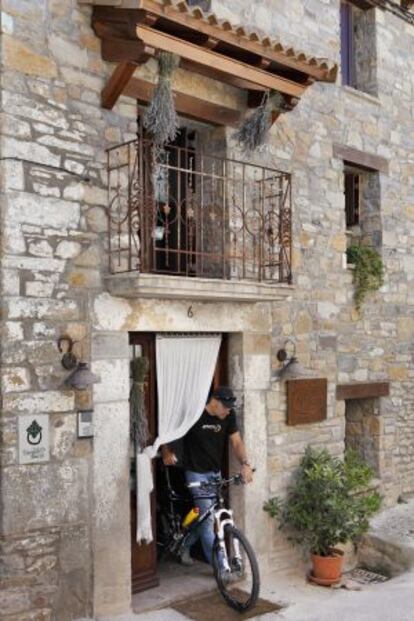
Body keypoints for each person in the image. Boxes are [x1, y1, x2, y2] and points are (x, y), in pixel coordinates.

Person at [161, 386, 253, 569]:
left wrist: (245, 463)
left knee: (203, 515)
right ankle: (221, 569)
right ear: (214, 402)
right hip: (195, 472)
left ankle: (184, 545)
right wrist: (166, 451)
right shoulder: (194, 413)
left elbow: (236, 442)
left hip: (215, 473)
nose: (228, 411)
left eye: (230, 408)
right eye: (225, 407)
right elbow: (169, 430)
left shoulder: (228, 415)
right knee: (208, 520)